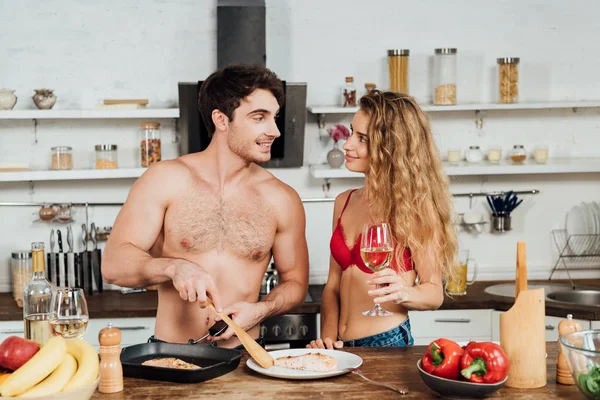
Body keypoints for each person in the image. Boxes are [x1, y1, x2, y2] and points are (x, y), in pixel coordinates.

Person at [102, 64, 309, 349]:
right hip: (172, 356)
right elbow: (113, 266)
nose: (274, 130)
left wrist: (262, 309)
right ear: (221, 120)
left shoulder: (282, 198)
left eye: (274, 117)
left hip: (246, 358)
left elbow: (296, 283)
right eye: (259, 117)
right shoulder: (164, 180)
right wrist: (174, 268)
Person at [308, 90, 458, 349]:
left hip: (387, 341)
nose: (347, 144)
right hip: (342, 345)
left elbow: (434, 293)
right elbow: (332, 286)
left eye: (362, 138)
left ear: (390, 147)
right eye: (351, 132)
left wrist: (406, 293)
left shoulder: (414, 208)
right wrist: (328, 341)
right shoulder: (344, 201)